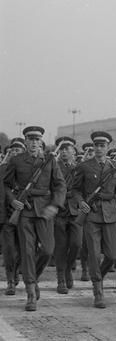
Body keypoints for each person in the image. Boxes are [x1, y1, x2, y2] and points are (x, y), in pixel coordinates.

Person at [3, 127, 66, 311]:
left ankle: (33, 278)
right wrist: (13, 200)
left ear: (41, 141)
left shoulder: (49, 161)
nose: (33, 142)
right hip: (25, 211)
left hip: (45, 210)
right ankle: (30, 292)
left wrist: (55, 205)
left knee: (47, 250)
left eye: (36, 139)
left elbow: (60, 184)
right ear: (25, 141)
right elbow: (6, 184)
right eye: (29, 139)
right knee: (27, 251)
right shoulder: (16, 161)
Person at [72, 131, 116, 307]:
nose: (98, 148)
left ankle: (98, 278)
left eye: (102, 145)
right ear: (93, 147)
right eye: (96, 145)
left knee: (112, 256)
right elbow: (75, 189)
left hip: (111, 214)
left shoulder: (115, 167)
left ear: (109, 147)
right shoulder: (84, 166)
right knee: (94, 255)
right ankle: (98, 291)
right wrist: (81, 202)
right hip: (92, 214)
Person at [53, 136, 82, 294]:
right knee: (61, 247)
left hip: (76, 211)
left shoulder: (79, 167)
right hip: (59, 211)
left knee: (77, 244)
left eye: (67, 148)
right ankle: (61, 279)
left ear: (73, 151)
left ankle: (68, 269)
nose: (64, 151)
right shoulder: (53, 166)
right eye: (61, 149)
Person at [1, 138, 27, 296]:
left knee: (23, 250)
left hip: (25, 217)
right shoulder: (2, 169)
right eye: (12, 150)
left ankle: (16, 270)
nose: (14, 153)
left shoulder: (29, 170)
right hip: (6, 218)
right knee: (9, 250)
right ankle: (10, 281)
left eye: (18, 150)